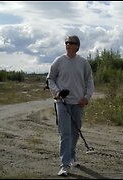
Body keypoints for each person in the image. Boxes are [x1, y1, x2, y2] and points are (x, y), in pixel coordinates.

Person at [46, 35, 94, 176]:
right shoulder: (59, 61)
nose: (68, 45)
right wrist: (57, 92)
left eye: (71, 43)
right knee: (65, 134)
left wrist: (86, 97)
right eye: (66, 42)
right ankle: (64, 165)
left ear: (77, 46)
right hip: (62, 102)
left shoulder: (83, 63)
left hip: (78, 103)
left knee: (75, 133)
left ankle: (72, 157)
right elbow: (50, 78)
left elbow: (90, 81)